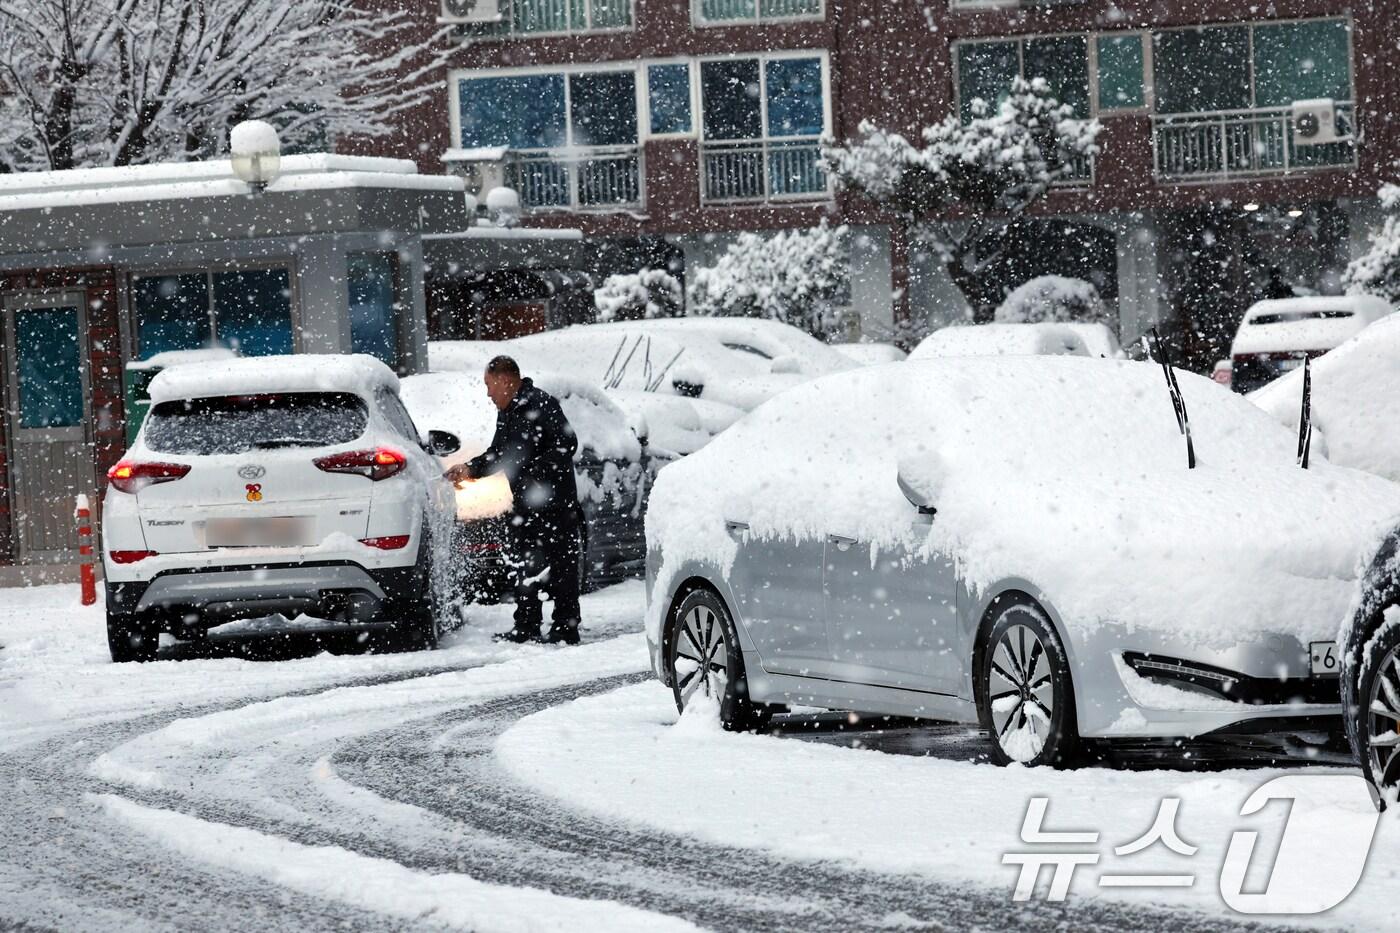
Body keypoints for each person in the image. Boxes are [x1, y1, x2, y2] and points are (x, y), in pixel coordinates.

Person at [445, 356, 584, 645]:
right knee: (526, 564)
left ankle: (565, 627)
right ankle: (527, 626)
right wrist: (470, 469)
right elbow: (499, 454)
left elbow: (567, 444)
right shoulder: (507, 411)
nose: (488, 393)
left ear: (506, 381)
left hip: (556, 504)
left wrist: (536, 472)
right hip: (525, 506)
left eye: (489, 385)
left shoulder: (541, 404)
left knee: (562, 567)